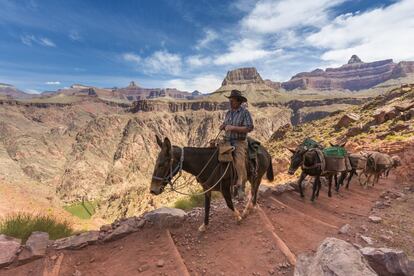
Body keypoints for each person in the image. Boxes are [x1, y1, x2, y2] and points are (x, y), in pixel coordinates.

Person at [219, 89, 254, 198]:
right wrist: (223, 126)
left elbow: (249, 128)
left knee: (239, 162)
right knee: (214, 154)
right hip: (227, 140)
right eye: (230, 100)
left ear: (239, 102)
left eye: (232, 100)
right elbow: (226, 124)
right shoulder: (228, 113)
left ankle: (241, 188)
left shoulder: (245, 113)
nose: (230, 102)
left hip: (239, 141)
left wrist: (233, 128)